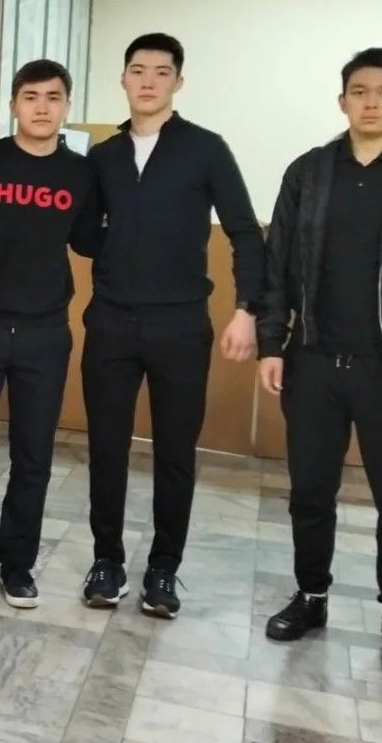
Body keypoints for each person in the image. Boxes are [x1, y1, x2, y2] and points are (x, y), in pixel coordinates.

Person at [258, 47, 382, 678]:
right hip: (313, 362)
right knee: (310, 491)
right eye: (359, 91)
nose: (371, 102)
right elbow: (278, 262)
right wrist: (271, 342)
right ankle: (311, 596)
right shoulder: (310, 171)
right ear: (342, 101)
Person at [81, 32, 263, 618]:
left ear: (178, 82)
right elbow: (83, 234)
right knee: (106, 447)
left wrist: (247, 309)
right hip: (111, 321)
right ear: (123, 78)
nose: (148, 81)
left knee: (176, 452)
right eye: (138, 70)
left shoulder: (205, 149)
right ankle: (106, 561)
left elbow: (244, 232)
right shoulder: (103, 156)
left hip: (180, 325)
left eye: (162, 72)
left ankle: (163, 569)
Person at [0, 60, 99, 607]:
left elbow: (89, 242)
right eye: (30, 97)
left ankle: (18, 565)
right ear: (13, 106)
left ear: (67, 106)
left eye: (53, 97)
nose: (41, 107)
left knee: (33, 455)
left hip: (44, 332)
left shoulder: (81, 174)